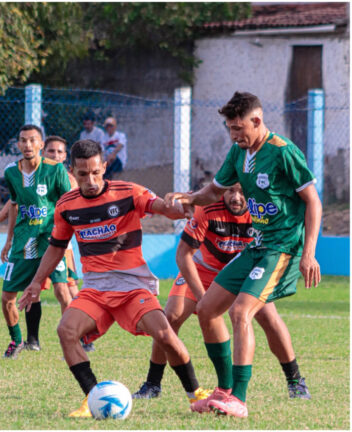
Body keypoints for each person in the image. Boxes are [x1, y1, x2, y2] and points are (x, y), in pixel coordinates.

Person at [18, 139, 210, 418]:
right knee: (66, 331)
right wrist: (36, 282)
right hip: (95, 288)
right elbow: (57, 246)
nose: (91, 180)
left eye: (96, 172)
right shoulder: (66, 205)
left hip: (132, 286)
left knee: (165, 334)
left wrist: (182, 203)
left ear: (104, 167)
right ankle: (93, 398)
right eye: (82, 175)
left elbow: (163, 208)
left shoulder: (128, 192)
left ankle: (196, 394)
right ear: (72, 172)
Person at [165, 91, 321, 418]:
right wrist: (189, 198)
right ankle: (223, 390)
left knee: (242, 313)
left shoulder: (283, 152)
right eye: (230, 129)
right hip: (256, 247)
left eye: (239, 128)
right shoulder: (238, 154)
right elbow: (213, 191)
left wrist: (309, 253)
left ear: (257, 120)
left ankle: (240, 397)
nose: (235, 135)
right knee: (207, 310)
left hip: (281, 248)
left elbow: (313, 201)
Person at [133, 183, 310, 400]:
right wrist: (202, 297)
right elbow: (183, 255)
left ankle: (295, 381)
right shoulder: (206, 207)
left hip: (244, 271)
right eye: (231, 191)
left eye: (243, 192)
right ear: (221, 191)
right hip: (202, 271)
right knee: (170, 317)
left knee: (269, 317)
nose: (236, 197)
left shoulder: (261, 212)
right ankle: (153, 384)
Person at [0, 136, 93, 354]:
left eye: (59, 152)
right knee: (31, 292)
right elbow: (16, 202)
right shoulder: (24, 174)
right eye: (51, 152)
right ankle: (31, 339)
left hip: (59, 242)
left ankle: (78, 338)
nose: (55, 156)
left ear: (65, 158)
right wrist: (2, 229)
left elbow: (75, 206)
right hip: (29, 242)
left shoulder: (66, 178)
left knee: (67, 289)